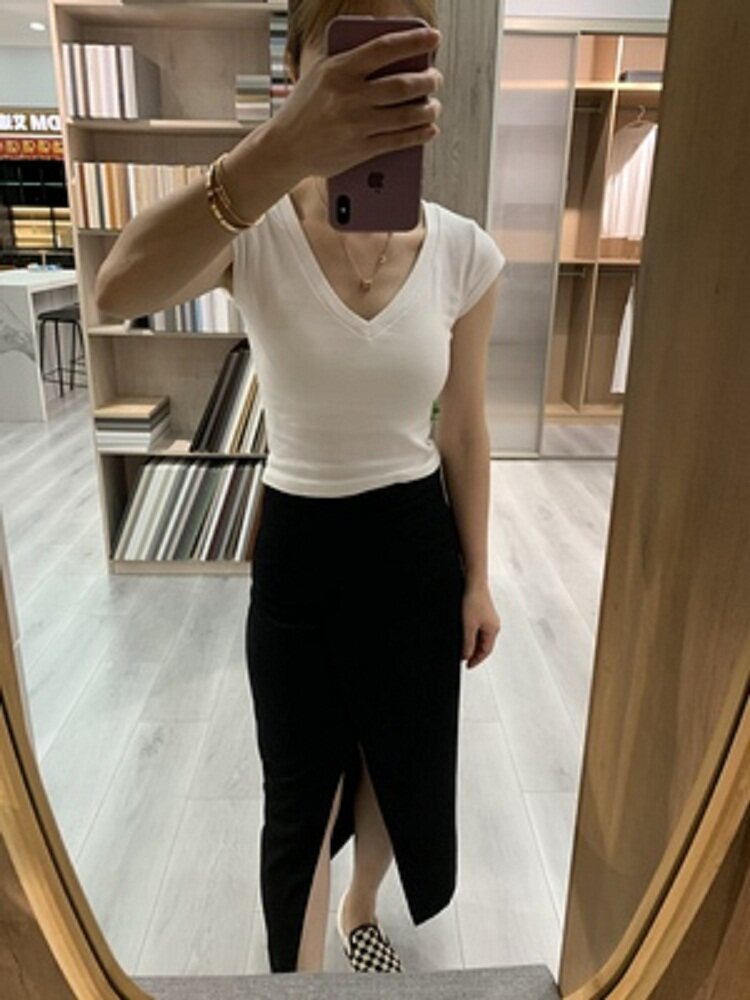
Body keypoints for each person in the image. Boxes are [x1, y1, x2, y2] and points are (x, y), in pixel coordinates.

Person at [95, 0, 504, 977]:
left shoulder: (463, 252)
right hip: (298, 548)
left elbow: (464, 426)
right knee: (301, 787)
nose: (373, 89)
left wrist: (480, 577)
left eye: (402, 61)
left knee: (399, 765)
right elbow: (117, 290)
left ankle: (363, 904)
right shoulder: (252, 229)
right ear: (298, 79)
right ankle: (301, 979)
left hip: (414, 545)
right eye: (349, 61)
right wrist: (276, 154)